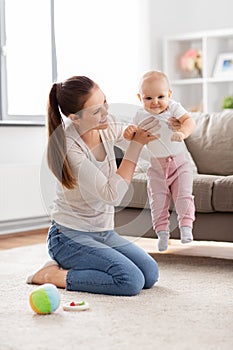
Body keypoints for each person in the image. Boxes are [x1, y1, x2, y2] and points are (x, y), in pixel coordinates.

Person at [26, 75, 160, 296]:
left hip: (103, 232)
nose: (106, 112)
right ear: (74, 118)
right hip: (68, 237)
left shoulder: (104, 126)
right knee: (130, 280)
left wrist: (143, 132)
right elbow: (112, 195)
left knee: (150, 274)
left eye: (105, 102)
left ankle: (86, 263)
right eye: (97, 111)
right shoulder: (71, 149)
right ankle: (51, 275)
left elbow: (136, 137)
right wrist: (134, 146)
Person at [123, 70, 196, 252]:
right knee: (157, 201)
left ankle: (186, 227)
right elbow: (131, 136)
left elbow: (189, 121)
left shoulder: (173, 108)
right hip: (157, 167)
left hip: (179, 164)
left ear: (169, 95)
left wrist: (182, 132)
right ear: (140, 97)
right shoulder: (140, 115)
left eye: (160, 96)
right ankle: (162, 233)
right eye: (148, 98)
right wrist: (129, 132)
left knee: (183, 196)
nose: (155, 102)